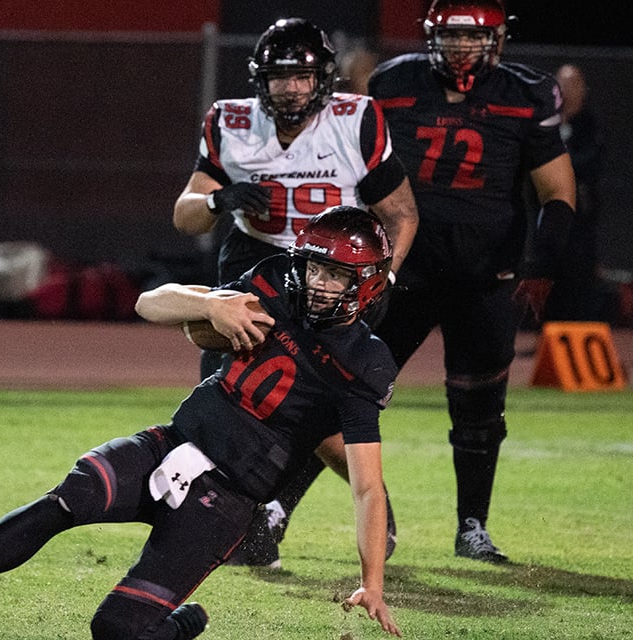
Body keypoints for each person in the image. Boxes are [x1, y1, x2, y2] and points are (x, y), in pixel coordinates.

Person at [0, 206, 402, 639]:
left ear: (367, 284)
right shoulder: (272, 283)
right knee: (69, 497)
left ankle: (177, 625)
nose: (318, 283)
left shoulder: (365, 362)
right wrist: (210, 304)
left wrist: (372, 582)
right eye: (313, 268)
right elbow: (148, 303)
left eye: (334, 275)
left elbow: (367, 488)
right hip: (172, 445)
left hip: (224, 501)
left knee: (114, 630)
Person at [270, 0, 577, 564]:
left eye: (472, 37)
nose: (461, 47)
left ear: (498, 41)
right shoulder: (395, 81)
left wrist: (544, 265)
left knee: (480, 410)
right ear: (433, 36)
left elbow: (558, 192)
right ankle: (277, 507)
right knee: (340, 392)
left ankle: (472, 528)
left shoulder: (524, 94)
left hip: (487, 277)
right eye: (451, 36)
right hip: (399, 274)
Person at [172, 17, 419, 567]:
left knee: (309, 407)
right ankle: (243, 518)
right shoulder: (231, 121)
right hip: (257, 265)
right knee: (231, 396)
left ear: (323, 78)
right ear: (261, 78)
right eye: (281, 75)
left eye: (303, 75)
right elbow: (184, 216)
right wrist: (219, 200)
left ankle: (291, 514)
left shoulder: (354, 119)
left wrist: (384, 278)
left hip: (332, 279)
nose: (291, 87)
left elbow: (400, 213)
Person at [543, 64, 605, 321]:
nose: (567, 90)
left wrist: (559, 163)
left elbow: (590, 162)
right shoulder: (548, 121)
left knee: (579, 274)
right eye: (562, 84)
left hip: (580, 215)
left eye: (573, 84)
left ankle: (580, 335)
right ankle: (547, 336)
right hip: (548, 212)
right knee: (547, 273)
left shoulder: (589, 124)